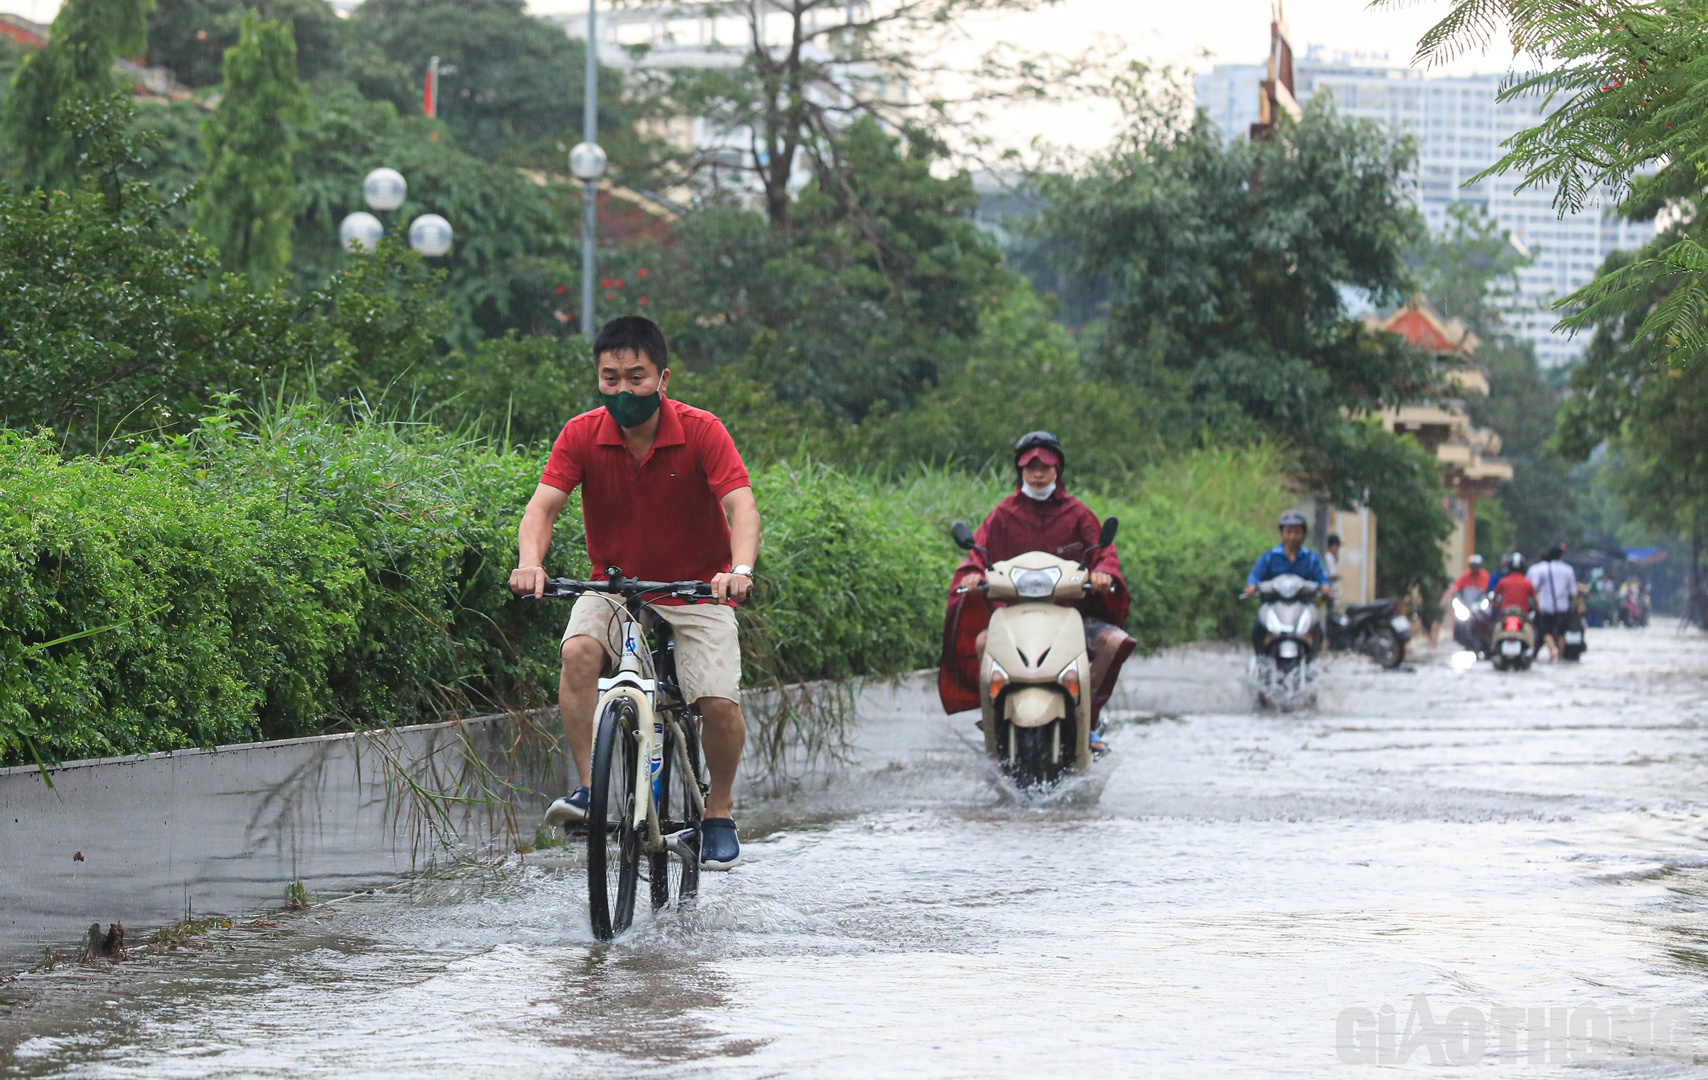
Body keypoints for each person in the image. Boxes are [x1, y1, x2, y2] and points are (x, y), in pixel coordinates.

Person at [510, 316, 760, 870]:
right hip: (616, 585)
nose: (623, 390)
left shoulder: (701, 430)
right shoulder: (581, 433)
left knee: (717, 701)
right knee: (577, 652)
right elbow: (543, 506)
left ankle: (717, 811)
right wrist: (531, 563)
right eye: (610, 379)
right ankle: (591, 793)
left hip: (697, 589)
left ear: (662, 378)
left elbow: (741, 505)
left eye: (636, 378)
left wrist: (737, 568)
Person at [951, 431, 1134, 754]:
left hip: (1072, 617)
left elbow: (1103, 553)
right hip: (1013, 616)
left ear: (1058, 470)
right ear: (1019, 470)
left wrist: (1104, 572)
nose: (1037, 474)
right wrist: (972, 573)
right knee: (982, 642)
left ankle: (1087, 719)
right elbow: (976, 553)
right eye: (1030, 467)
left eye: (1045, 467)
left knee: (1113, 643)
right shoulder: (1002, 514)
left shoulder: (1078, 514)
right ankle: (992, 717)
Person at [1241, 510, 1332, 652]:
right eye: (1288, 532)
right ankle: (1260, 656)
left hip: (1303, 603)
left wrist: (1325, 586)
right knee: (1259, 626)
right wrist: (1252, 585)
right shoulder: (1271, 556)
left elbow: (1321, 577)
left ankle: (1312, 657)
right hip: (1274, 602)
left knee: (1317, 628)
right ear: (1282, 533)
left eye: (1297, 532)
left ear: (1303, 534)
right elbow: (1255, 574)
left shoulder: (1310, 558)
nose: (1292, 536)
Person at [1527, 543, 1579, 661]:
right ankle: (1560, 655)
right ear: (1561, 556)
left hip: (1546, 607)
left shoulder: (1544, 569)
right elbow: (1573, 591)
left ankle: (1552, 649)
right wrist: (1576, 605)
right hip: (1563, 607)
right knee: (1561, 633)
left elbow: (1535, 587)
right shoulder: (1568, 570)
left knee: (1545, 631)